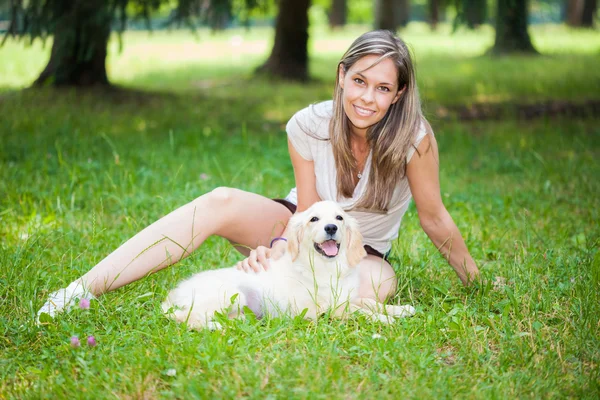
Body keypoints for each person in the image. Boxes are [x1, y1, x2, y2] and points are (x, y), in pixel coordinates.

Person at [37, 30, 480, 321]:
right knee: (219, 200)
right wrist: (278, 247)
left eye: (383, 88)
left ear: (399, 93)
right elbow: (303, 209)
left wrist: (477, 283)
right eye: (360, 80)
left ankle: (252, 298)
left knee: (377, 285)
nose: (368, 97)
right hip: (295, 224)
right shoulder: (307, 124)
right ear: (342, 75)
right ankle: (80, 289)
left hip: (357, 248)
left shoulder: (414, 137)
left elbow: (434, 217)